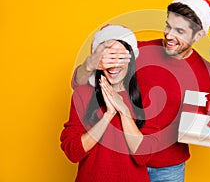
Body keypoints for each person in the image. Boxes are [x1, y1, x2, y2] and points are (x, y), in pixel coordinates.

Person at [71, 0, 210, 182]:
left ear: (199, 34)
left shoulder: (206, 71)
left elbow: (201, 118)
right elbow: (80, 84)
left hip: (169, 169)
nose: (169, 35)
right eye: (168, 26)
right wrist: (89, 64)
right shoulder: (140, 52)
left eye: (179, 31)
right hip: (127, 161)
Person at [60, 25, 160, 182]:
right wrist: (108, 115)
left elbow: (143, 156)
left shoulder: (146, 95)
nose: (114, 65)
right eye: (109, 57)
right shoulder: (83, 94)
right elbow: (73, 153)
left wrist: (124, 112)